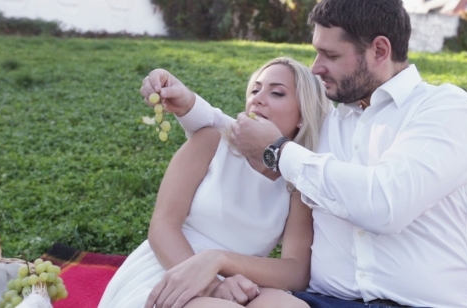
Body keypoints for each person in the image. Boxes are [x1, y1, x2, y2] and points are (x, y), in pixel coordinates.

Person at [141, 0, 467, 308]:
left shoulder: (447, 110)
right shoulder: (327, 126)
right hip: (322, 300)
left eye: (330, 55)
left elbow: (385, 205)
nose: (316, 68)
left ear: (380, 50)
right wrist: (190, 105)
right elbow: (252, 132)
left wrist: (278, 151)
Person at [100, 57, 333, 308]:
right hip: (172, 266)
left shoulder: (297, 181)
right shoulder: (212, 141)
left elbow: (295, 272)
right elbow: (162, 228)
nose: (258, 97)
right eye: (255, 89)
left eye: (276, 93)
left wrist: (221, 264)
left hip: (239, 279)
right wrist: (212, 286)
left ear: (302, 114)